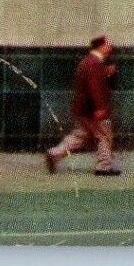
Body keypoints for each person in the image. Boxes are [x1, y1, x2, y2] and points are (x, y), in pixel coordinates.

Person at [45, 35, 121, 176]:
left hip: (84, 109)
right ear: (101, 46)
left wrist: (106, 74)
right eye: (108, 45)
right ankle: (104, 166)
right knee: (104, 135)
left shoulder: (89, 62)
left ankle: (54, 154)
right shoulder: (95, 63)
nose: (110, 47)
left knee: (79, 136)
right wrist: (100, 108)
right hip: (93, 110)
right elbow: (95, 87)